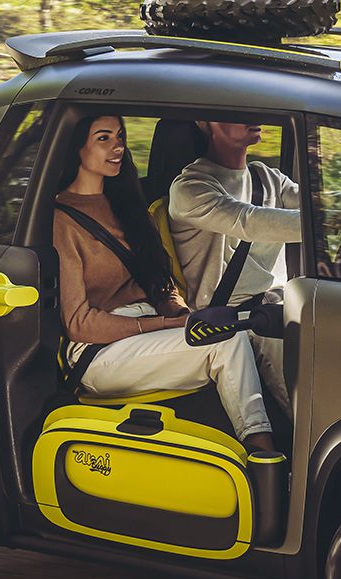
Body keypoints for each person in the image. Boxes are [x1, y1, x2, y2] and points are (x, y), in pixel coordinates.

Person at [50, 113, 276, 457]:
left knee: (240, 330)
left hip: (151, 330)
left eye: (121, 136)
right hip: (99, 351)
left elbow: (161, 280)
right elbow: (79, 324)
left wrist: (180, 312)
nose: (118, 147)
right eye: (104, 138)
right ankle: (264, 457)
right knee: (226, 343)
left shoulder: (127, 203)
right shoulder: (62, 220)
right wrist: (162, 324)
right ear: (77, 148)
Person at [166, 119, 301, 397]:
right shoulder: (191, 188)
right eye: (240, 111)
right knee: (314, 403)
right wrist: (336, 219)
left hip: (283, 306)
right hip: (233, 320)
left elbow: (314, 202)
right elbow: (248, 221)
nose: (256, 119)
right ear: (207, 123)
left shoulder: (266, 177)